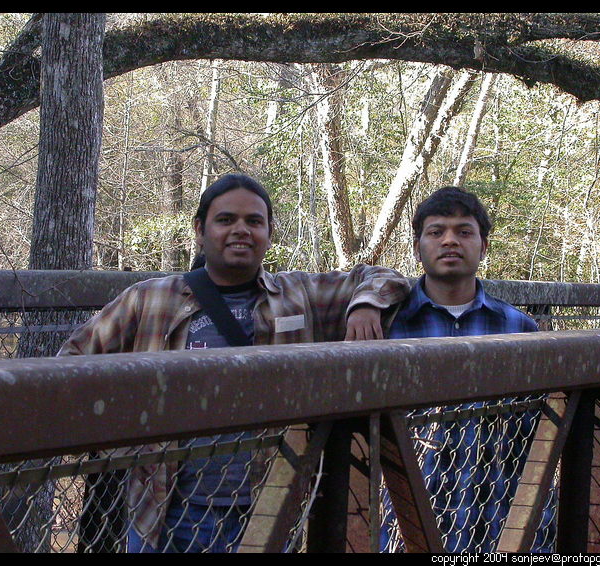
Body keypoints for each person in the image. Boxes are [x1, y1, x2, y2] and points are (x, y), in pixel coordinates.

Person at [58, 173, 411, 553]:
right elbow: (71, 363)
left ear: (269, 232)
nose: (241, 230)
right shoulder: (149, 299)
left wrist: (364, 305)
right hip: (166, 512)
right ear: (200, 230)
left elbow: (385, 278)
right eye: (226, 220)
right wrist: (122, 444)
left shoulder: (298, 295)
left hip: (269, 509)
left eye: (254, 221)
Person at [375, 186, 555, 553]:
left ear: (483, 246)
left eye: (464, 231)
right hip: (404, 522)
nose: (450, 241)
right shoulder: (387, 326)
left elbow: (540, 437)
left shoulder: (519, 328)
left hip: (499, 519)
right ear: (417, 247)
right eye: (436, 231)